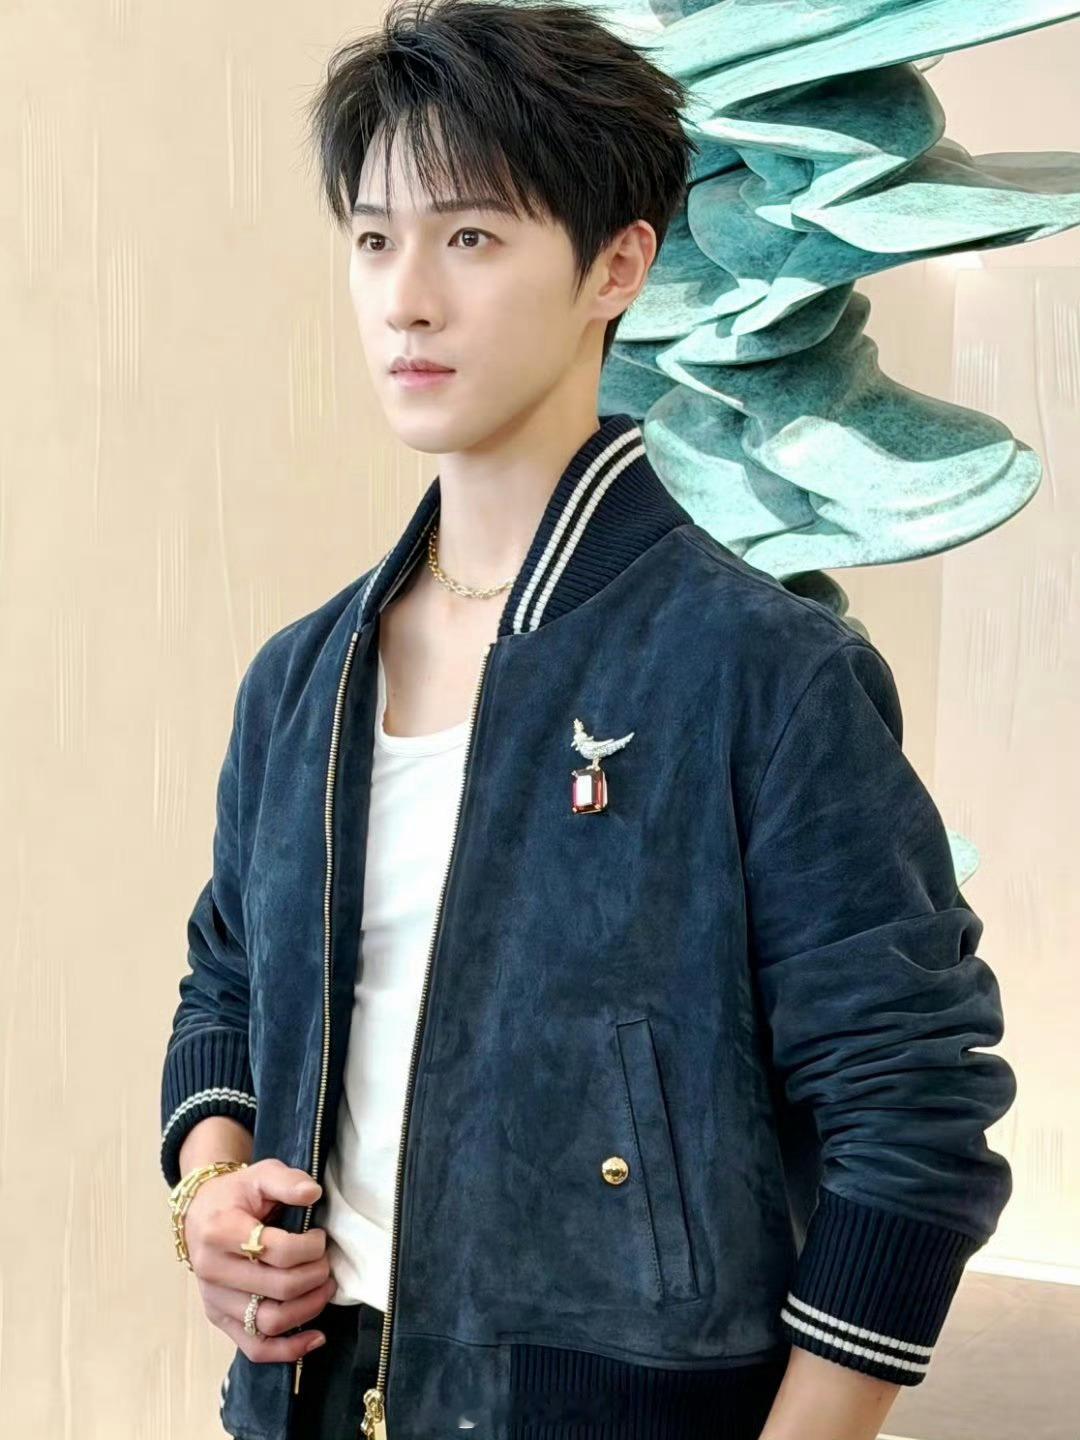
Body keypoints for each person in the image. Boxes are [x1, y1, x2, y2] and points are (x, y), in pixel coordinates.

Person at [159, 2, 1017, 1438]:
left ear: (618, 263)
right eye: (373, 239)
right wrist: (210, 1184)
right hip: (303, 1401)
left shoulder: (764, 673)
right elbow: (228, 986)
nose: (406, 298)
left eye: (471, 236)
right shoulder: (300, 679)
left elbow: (913, 1110)